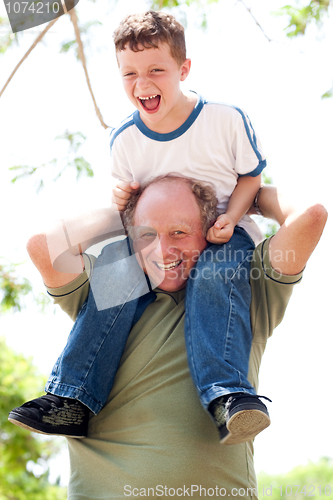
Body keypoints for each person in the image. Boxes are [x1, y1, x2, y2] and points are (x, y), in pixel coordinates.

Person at [9, 10, 271, 445]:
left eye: (156, 70)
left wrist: (230, 216)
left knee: (213, 274)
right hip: (156, 239)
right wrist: (120, 200)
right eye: (129, 72)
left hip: (222, 232)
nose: (142, 82)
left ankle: (230, 397)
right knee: (116, 267)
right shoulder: (126, 140)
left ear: (183, 69)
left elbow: (251, 176)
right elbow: (130, 203)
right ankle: (72, 397)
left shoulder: (224, 120)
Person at [11, 177, 328, 500]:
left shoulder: (242, 291)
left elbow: (310, 215)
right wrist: (122, 215)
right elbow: (42, 244)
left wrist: (246, 203)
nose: (163, 250)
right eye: (147, 235)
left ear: (209, 230)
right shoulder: (107, 293)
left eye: (179, 232)